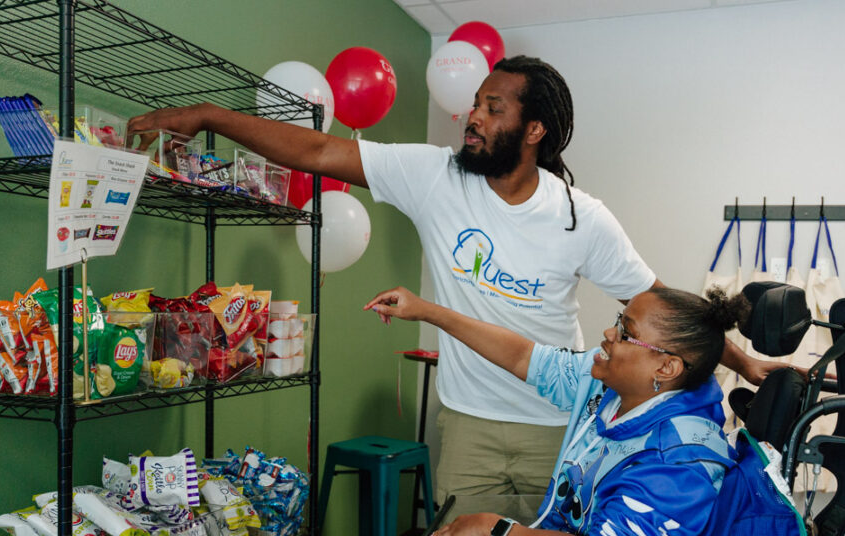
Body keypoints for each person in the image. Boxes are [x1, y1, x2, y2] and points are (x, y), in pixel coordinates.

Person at [127, 55, 776, 502]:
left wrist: (745, 364)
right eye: (474, 103)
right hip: (466, 425)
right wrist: (210, 115)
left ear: (534, 129)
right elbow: (321, 151)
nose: (474, 116)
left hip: (561, 424)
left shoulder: (582, 217)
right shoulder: (434, 176)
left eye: (493, 108)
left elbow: (656, 303)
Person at [363, 284, 752, 536]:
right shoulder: (611, 389)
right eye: (619, 322)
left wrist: (493, 528)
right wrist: (426, 311)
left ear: (665, 368)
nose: (609, 334)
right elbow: (521, 355)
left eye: (625, 331)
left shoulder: (679, 459)